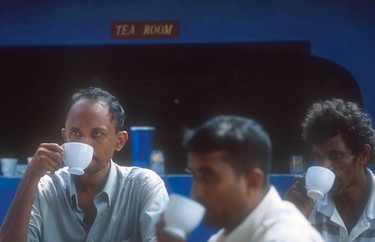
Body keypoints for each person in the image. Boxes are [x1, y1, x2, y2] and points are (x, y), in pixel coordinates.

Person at [0, 87, 169, 242]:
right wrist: (30, 177)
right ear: (65, 138)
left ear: (120, 141)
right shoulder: (44, 188)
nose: (85, 142)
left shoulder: (144, 186)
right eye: (75, 133)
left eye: (97, 133)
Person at [157, 115, 323, 242]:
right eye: (194, 176)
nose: (195, 192)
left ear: (252, 182)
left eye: (208, 176)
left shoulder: (285, 237)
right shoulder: (229, 233)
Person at [285, 98, 375, 241]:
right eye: (318, 157)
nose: (324, 165)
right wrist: (294, 220)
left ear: (363, 155)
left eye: (336, 155)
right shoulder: (308, 206)